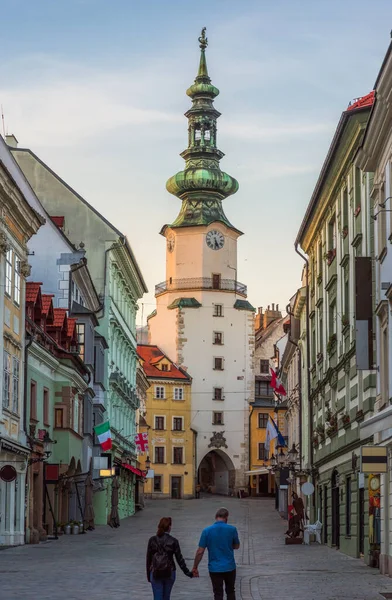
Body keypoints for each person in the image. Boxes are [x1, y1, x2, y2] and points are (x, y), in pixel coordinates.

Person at [192, 507, 240, 600]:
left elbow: (200, 551)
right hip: (229, 566)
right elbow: (237, 546)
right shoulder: (232, 529)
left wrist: (195, 567)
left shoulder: (207, 531)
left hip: (215, 568)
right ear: (226, 517)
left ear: (216, 517)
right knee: (230, 591)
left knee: (217, 593)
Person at [146, 516, 193, 600]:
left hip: (155, 571)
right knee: (166, 597)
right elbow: (180, 559)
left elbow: (148, 559)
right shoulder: (173, 541)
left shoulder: (152, 540)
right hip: (170, 571)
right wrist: (187, 572)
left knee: (157, 597)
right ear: (169, 527)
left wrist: (149, 576)